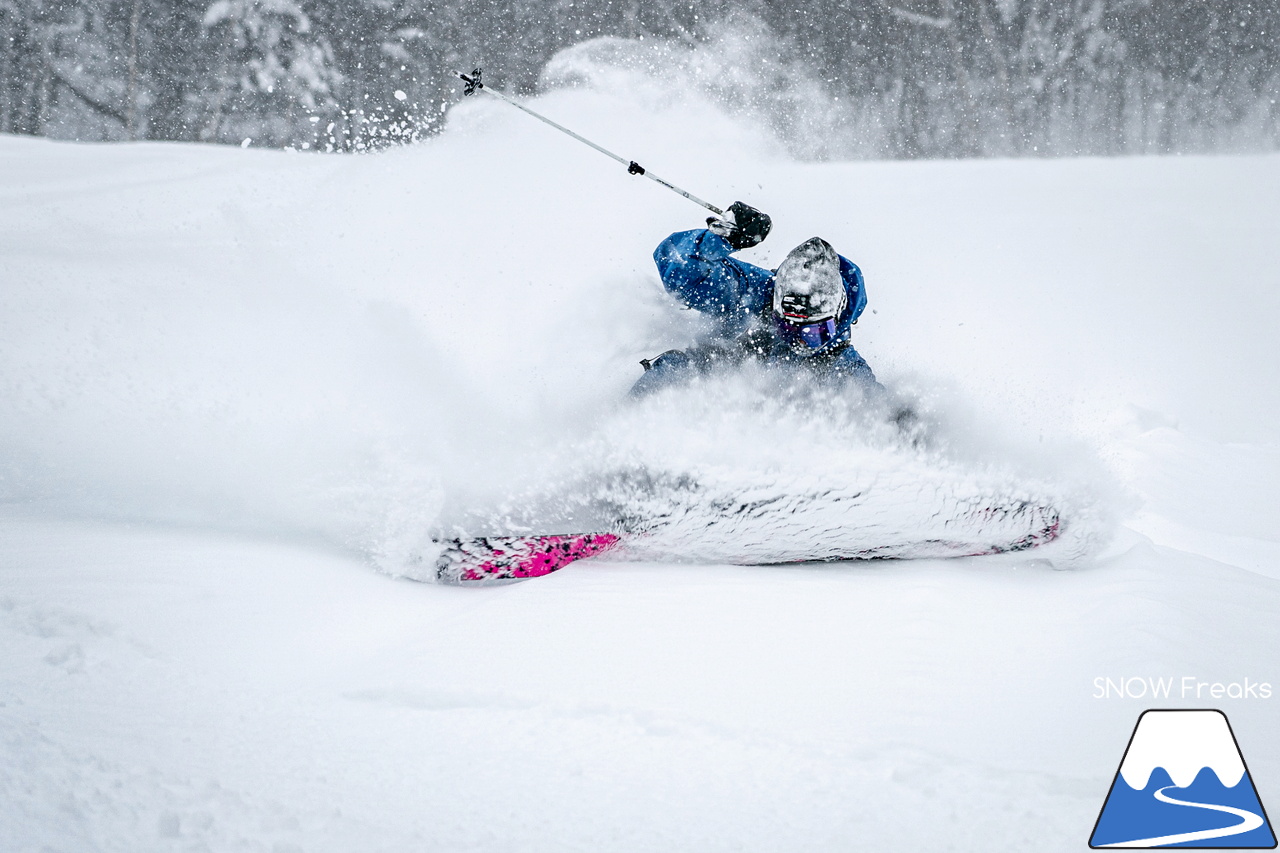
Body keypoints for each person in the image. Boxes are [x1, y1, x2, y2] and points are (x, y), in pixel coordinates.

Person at [631, 201, 881, 396]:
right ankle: (626, 436)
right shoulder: (751, 293)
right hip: (709, 385)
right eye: (786, 328)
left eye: (813, 334)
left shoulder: (839, 361)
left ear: (836, 318)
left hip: (770, 424)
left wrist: (902, 419)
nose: (799, 343)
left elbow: (876, 406)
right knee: (675, 369)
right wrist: (722, 239)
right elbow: (680, 269)